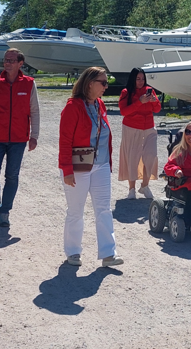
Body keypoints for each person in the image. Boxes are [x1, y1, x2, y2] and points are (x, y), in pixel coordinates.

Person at [59, 67, 122, 267]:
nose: (106, 86)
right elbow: (65, 141)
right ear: (89, 83)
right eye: (102, 82)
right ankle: (73, 252)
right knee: (76, 210)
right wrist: (67, 170)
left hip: (101, 164)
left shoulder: (100, 105)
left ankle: (108, 254)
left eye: (106, 82)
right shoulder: (73, 107)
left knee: (104, 209)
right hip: (78, 166)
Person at [0, 48, 39, 228]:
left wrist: (34, 136)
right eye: (6, 60)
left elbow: (34, 111)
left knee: (12, 176)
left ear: (21, 63)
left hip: (19, 139)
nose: (7, 63)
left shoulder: (29, 84)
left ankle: (5, 212)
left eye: (12, 60)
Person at [118, 67, 161, 200]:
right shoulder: (126, 92)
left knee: (151, 155)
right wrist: (139, 102)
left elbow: (158, 109)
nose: (141, 81)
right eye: (138, 79)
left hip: (149, 127)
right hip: (132, 127)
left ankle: (144, 186)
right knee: (133, 157)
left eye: (142, 79)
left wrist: (154, 101)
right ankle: (131, 189)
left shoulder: (150, 91)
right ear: (133, 79)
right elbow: (123, 112)